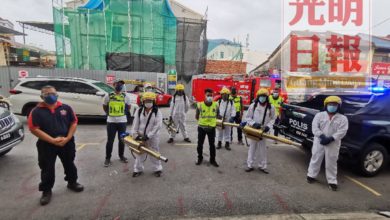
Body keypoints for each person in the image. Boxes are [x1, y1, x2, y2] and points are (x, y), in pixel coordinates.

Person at [28, 85, 84, 206]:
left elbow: (74, 122)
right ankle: (46, 190)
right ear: (41, 96)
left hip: (66, 142)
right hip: (46, 144)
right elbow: (33, 129)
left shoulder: (66, 108)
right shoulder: (36, 111)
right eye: (47, 94)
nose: (51, 96)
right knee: (47, 167)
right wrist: (52, 140)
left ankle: (72, 182)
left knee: (69, 163)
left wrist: (68, 138)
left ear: (57, 94)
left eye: (53, 93)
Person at [307, 96, 348, 191]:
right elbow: (314, 127)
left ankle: (332, 181)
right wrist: (321, 136)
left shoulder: (343, 118)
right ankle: (311, 175)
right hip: (319, 141)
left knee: (332, 162)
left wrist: (331, 138)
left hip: (333, 143)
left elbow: (342, 131)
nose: (332, 106)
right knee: (315, 158)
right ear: (326, 105)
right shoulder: (319, 115)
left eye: (334, 104)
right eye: (330, 104)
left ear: (339, 106)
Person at [243, 88, 276, 174]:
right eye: (261, 96)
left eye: (264, 96)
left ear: (267, 97)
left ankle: (263, 166)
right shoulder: (253, 106)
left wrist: (268, 126)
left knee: (263, 149)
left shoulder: (271, 107)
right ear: (258, 97)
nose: (262, 98)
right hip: (254, 130)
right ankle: (249, 165)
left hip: (264, 131)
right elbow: (247, 117)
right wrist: (253, 123)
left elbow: (273, 118)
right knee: (252, 148)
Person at [131, 92, 163, 177]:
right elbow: (135, 124)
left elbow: (157, 126)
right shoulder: (139, 110)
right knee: (139, 153)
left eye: (150, 100)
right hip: (141, 136)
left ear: (154, 101)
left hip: (153, 137)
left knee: (154, 152)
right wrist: (135, 135)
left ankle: (157, 169)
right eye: (146, 100)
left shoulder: (157, 112)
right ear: (143, 101)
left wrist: (148, 136)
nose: (148, 102)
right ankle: (138, 169)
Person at [103, 79, 133, 167]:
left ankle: (121, 156)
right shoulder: (108, 96)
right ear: (114, 85)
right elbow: (104, 106)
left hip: (122, 121)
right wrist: (110, 114)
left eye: (121, 84)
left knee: (122, 140)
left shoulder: (125, 96)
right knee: (110, 141)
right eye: (118, 84)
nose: (119, 85)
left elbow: (128, 107)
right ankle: (108, 158)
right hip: (111, 122)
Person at [195, 88, 219, 167]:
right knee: (200, 144)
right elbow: (197, 116)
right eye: (208, 95)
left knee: (212, 145)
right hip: (202, 128)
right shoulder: (200, 105)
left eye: (211, 95)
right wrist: (203, 122)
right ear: (205, 96)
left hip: (212, 128)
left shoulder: (216, 104)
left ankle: (212, 160)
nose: (210, 97)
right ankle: (200, 158)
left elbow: (218, 115)